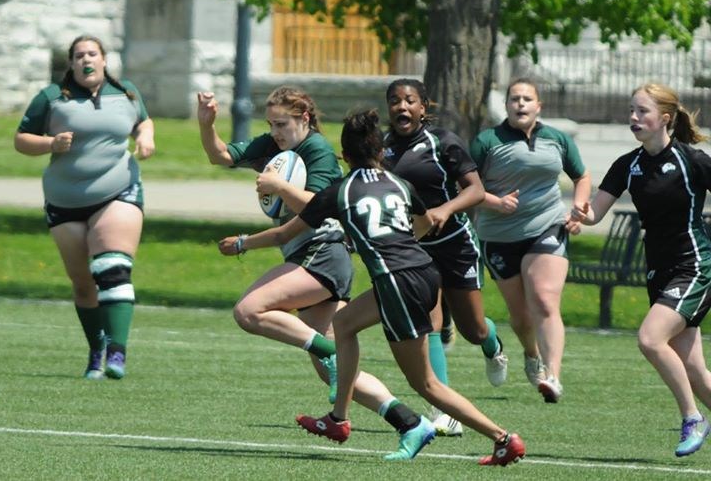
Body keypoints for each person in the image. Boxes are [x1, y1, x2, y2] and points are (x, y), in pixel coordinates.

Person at [221, 109, 526, 466]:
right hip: (423, 271)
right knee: (343, 325)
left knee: (425, 384)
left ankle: (503, 438)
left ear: (345, 156)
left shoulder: (340, 191)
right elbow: (426, 224)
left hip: (398, 281)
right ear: (380, 152)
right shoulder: (400, 184)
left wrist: (241, 243)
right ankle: (337, 419)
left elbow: (283, 234)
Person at [202, 87, 435, 462]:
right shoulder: (274, 145)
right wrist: (206, 123)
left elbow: (324, 205)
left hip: (322, 254)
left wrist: (279, 189)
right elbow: (220, 155)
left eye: (282, 124)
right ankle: (410, 423)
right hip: (308, 256)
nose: (275, 131)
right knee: (336, 375)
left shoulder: (319, 151)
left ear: (304, 119)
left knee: (249, 311)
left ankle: (327, 350)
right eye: (271, 124)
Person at [573, 83, 711, 457]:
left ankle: (692, 418)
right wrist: (579, 213)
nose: (633, 118)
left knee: (650, 339)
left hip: (694, 265)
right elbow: (595, 213)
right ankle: (697, 408)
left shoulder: (692, 160)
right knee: (695, 372)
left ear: (665, 118)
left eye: (642, 112)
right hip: (660, 271)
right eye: (631, 111)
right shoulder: (627, 165)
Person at [15, 35, 153, 380]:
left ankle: (118, 354)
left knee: (113, 267)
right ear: (71, 63)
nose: (86, 60)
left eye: (92, 53)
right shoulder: (51, 98)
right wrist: (50, 143)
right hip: (65, 201)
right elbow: (21, 140)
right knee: (82, 283)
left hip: (118, 191)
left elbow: (143, 120)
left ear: (104, 59)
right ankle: (98, 348)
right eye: (79, 56)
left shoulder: (126, 92)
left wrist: (145, 136)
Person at [382, 78, 507, 437]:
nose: (401, 107)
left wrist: (445, 210)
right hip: (413, 248)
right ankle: (444, 409)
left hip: (454, 243)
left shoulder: (444, 142)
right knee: (429, 322)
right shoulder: (383, 147)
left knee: (473, 329)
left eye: (409, 101)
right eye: (395, 101)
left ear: (424, 107)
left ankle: (494, 346)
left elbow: (476, 190)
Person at [469, 78, 590, 403]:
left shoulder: (557, 139)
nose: (520, 104)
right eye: (514, 99)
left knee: (545, 299)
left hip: (547, 226)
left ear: (539, 106)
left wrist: (579, 207)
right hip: (499, 236)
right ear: (506, 105)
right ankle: (530, 352)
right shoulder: (487, 141)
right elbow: (466, 189)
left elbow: (582, 176)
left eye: (527, 99)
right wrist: (496, 203)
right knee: (521, 317)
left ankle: (553, 376)